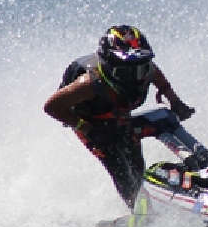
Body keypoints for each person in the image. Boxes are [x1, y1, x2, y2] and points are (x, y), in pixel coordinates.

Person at [44, 25, 195, 206]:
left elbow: (156, 74)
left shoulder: (146, 68)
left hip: (118, 117)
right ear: (109, 67)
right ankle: (137, 212)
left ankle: (207, 172)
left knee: (137, 165)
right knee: (118, 166)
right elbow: (52, 106)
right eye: (125, 72)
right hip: (92, 123)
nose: (133, 77)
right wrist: (87, 128)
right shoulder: (88, 83)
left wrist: (175, 102)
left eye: (139, 69)